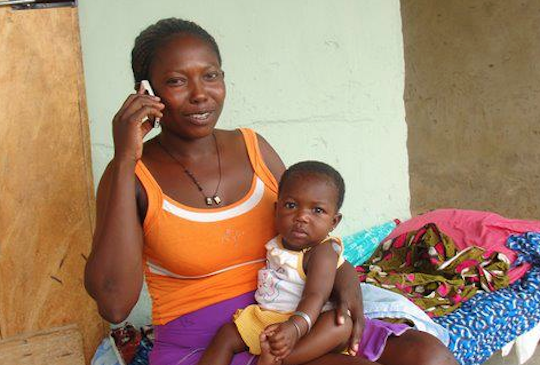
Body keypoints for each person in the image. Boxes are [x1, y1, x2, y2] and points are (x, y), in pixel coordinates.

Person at [84, 17, 459, 365]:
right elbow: (114, 305)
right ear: (145, 92)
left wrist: (347, 284)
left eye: (210, 76)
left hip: (288, 315)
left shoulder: (252, 147)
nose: (201, 95)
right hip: (208, 342)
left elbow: (314, 227)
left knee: (427, 355)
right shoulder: (130, 175)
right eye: (177, 81)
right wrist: (124, 158)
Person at [198, 161, 412, 365]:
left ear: (333, 222)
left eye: (317, 210)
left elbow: (316, 295)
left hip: (310, 323)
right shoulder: (279, 242)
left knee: (339, 324)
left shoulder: (322, 252)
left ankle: (280, 359)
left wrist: (295, 328)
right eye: (291, 205)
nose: (301, 217)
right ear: (276, 209)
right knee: (226, 335)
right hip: (270, 318)